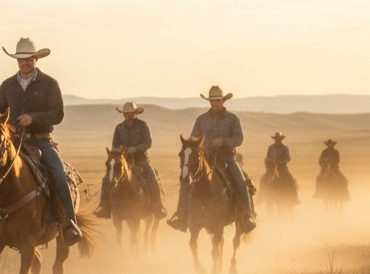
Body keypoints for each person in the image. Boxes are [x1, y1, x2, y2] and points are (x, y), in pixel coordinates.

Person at [0, 38, 82, 246]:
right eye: (21, 59)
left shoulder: (50, 84)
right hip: (11, 142)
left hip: (41, 141)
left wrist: (33, 118)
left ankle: (69, 224)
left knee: (59, 174)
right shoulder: (7, 85)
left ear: (35, 59)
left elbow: (58, 114)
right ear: (17, 61)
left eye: (28, 58)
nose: (25, 63)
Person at [168, 85, 256, 233]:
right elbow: (194, 136)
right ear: (209, 102)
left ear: (223, 101)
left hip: (226, 158)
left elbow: (239, 138)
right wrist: (191, 142)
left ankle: (245, 216)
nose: (215, 103)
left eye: (218, 100)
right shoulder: (201, 119)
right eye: (212, 100)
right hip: (205, 159)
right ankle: (181, 217)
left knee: (240, 181)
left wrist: (223, 141)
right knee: (185, 182)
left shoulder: (233, 119)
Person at [94, 101, 166, 219]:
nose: (127, 115)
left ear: (135, 113)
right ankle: (104, 206)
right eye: (125, 113)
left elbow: (148, 143)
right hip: (123, 160)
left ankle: (157, 206)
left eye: (130, 113)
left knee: (152, 177)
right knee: (107, 179)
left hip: (141, 159)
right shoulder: (119, 127)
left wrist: (134, 149)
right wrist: (119, 150)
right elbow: (115, 144)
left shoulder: (143, 125)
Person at [263, 132, 299, 201]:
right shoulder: (270, 148)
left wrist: (281, 161)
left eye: (279, 139)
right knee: (263, 179)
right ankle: (261, 196)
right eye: (276, 139)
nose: (278, 140)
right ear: (274, 139)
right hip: (272, 168)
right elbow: (267, 157)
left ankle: (294, 198)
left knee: (291, 180)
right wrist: (269, 161)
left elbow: (288, 158)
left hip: (282, 168)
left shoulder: (285, 148)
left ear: (281, 139)